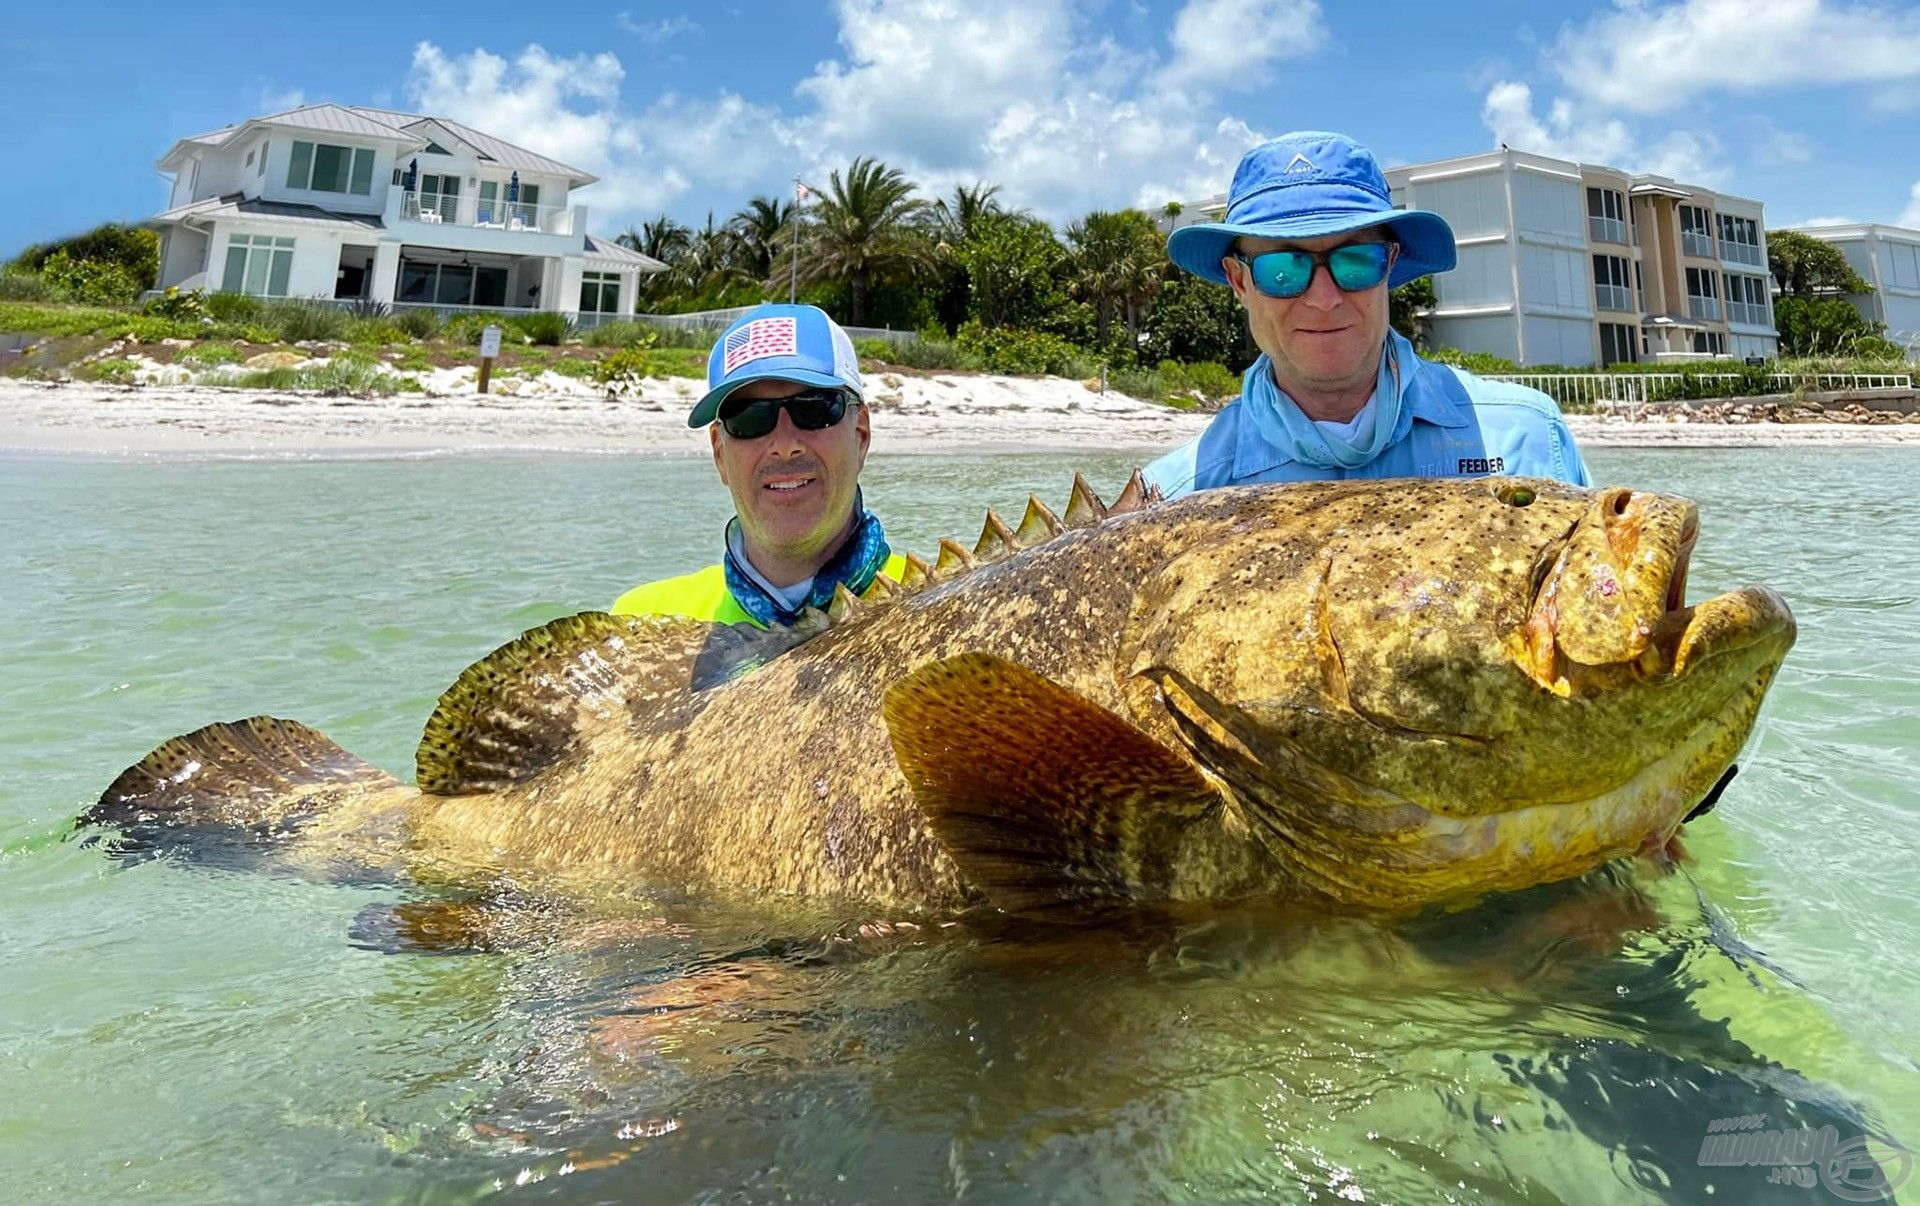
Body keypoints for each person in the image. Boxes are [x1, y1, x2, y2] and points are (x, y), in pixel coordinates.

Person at [1145, 131, 1591, 497]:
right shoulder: (1173, 497)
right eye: (1283, 269)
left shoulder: (1526, 441)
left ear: (1390, 264)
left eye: (1355, 262)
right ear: (1239, 281)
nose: (1324, 297)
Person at [612, 303, 906, 627]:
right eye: (749, 417)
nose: (784, 446)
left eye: (814, 410)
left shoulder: (948, 612)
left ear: (861, 435)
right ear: (719, 453)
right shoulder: (638, 626)